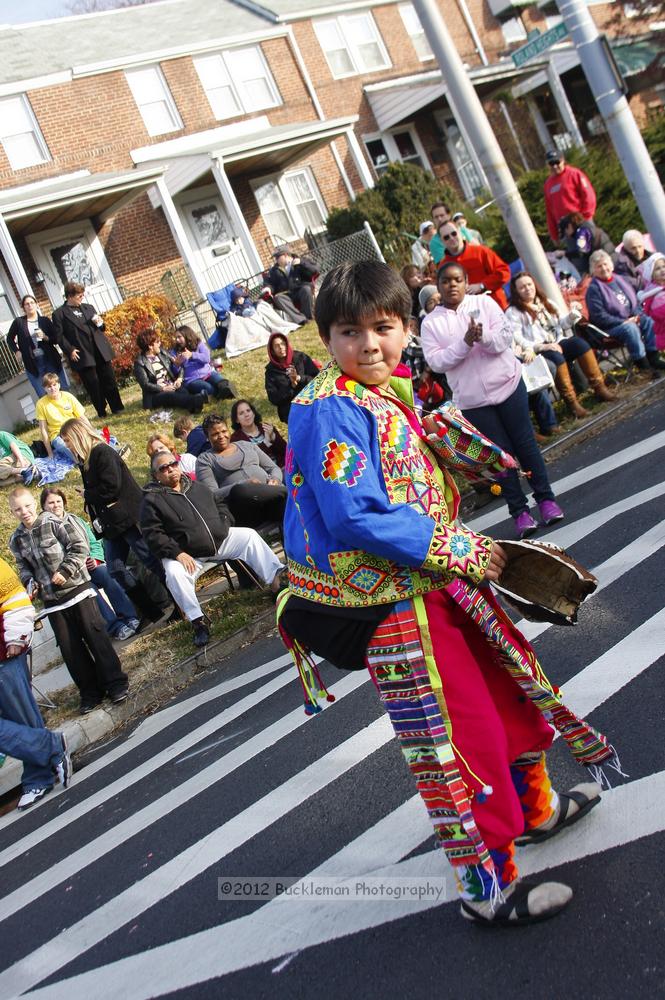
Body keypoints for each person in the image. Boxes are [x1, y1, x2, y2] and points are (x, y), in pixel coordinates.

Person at [277, 259, 614, 927]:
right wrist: (466, 549)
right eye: (349, 331)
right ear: (325, 338)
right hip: (393, 606)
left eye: (383, 327)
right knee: (454, 740)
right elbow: (353, 514)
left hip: (437, 585)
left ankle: (532, 812)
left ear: (406, 327)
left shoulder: (384, 391)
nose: (368, 344)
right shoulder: (326, 408)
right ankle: (483, 885)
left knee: (506, 700)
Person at [421, 262, 563, 537]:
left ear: (465, 282)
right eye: (446, 281)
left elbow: (503, 339)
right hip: (474, 401)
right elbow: (437, 362)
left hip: (509, 385)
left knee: (525, 445)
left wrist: (482, 336)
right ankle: (520, 512)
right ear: (438, 286)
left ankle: (546, 500)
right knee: (499, 456)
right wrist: (464, 343)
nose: (452, 285)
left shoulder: (484, 304)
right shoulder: (431, 323)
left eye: (458, 280)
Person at [140, 452, 285, 647]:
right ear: (156, 475)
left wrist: (224, 525)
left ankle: (276, 585)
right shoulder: (151, 501)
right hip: (187, 555)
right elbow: (153, 535)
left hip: (218, 541)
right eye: (163, 468)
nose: (170, 469)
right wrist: (177, 553)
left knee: (248, 536)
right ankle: (198, 622)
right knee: (174, 573)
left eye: (172, 464)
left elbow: (221, 505)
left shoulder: (197, 487)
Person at [8, 488, 129, 714]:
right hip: (52, 602)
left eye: (26, 506)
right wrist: (30, 584)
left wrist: (66, 570)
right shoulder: (16, 539)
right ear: (12, 512)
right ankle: (90, 693)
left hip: (77, 590)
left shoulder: (52, 522)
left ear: (34, 504)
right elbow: (23, 567)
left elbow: (78, 547)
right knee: (71, 650)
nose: (24, 512)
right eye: (17, 509)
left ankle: (116, 683)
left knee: (97, 639)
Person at [59, 418, 170, 597]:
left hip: (128, 517)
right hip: (112, 523)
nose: (66, 445)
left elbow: (111, 488)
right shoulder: (86, 460)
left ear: (77, 436)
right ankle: (151, 613)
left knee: (151, 560)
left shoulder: (102, 452)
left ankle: (179, 600)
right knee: (116, 569)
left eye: (67, 440)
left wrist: (88, 495)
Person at [0, 556, 72, 810]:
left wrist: (16, 636)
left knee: (21, 717)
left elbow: (13, 598)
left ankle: (37, 778)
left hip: (4, 654)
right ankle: (49, 749)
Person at [507, 270, 615, 416]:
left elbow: (563, 324)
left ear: (534, 285)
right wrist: (541, 346)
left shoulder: (546, 302)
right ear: (516, 291)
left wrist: (572, 314)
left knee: (580, 344)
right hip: (538, 350)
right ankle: (572, 403)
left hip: (557, 341)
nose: (527, 289)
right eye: (522, 287)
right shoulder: (514, 312)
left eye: (529, 284)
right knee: (556, 357)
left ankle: (600, 388)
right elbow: (517, 337)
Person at [40, 487, 140, 642]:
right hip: (71, 575)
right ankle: (114, 627)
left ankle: (129, 616)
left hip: (89, 566)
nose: (56, 505)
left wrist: (95, 559)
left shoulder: (75, 520)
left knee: (107, 574)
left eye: (58, 501)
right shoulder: (43, 529)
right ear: (44, 507)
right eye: (51, 503)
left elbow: (93, 543)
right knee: (89, 588)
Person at [195, 414, 287, 528]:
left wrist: (275, 479)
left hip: (271, 496)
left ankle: (284, 494)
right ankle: (287, 493)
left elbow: (273, 468)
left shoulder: (247, 445)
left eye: (224, 431)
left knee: (286, 479)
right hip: (244, 507)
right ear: (207, 438)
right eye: (215, 434)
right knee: (241, 490)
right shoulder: (204, 459)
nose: (221, 436)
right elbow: (212, 493)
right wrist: (243, 484)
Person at [52, 281, 123, 419]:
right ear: (70, 296)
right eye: (79, 295)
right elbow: (59, 337)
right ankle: (101, 411)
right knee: (93, 383)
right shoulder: (59, 314)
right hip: (82, 352)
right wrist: (70, 350)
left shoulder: (88, 308)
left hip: (100, 349)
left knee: (109, 378)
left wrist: (101, 323)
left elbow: (102, 328)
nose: (82, 297)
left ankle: (117, 407)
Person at [585, 250, 665, 374]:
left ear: (611, 265)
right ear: (593, 271)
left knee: (648, 320)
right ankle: (643, 366)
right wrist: (624, 321)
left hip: (630, 319)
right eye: (599, 266)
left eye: (605, 264)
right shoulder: (593, 289)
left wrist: (638, 315)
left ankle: (653, 357)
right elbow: (599, 316)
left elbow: (634, 302)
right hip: (609, 328)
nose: (604, 268)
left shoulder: (619, 279)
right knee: (630, 328)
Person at [436, 220, 510, 308]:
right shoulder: (443, 266)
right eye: (446, 237)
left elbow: (504, 272)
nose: (451, 238)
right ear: (442, 241)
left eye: (454, 233)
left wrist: (482, 285)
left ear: (460, 232)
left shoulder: (481, 251)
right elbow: (443, 292)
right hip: (467, 313)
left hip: (495, 306)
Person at [7, 294, 69, 398]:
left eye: (32, 303)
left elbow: (56, 338)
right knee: (42, 394)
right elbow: (9, 338)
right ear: (23, 307)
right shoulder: (19, 322)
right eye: (26, 304)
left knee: (61, 388)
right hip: (32, 362)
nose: (29, 305)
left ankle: (68, 411)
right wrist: (17, 351)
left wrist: (45, 337)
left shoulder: (45, 320)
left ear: (36, 305)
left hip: (50, 359)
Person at [133, 329, 205, 413]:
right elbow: (145, 384)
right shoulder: (140, 363)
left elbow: (179, 365)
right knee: (170, 396)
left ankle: (194, 407)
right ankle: (198, 399)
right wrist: (163, 388)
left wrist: (179, 379)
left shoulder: (163, 353)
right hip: (155, 394)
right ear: (150, 346)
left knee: (183, 391)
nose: (160, 343)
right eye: (157, 341)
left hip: (171, 386)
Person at [35, 372, 98, 463]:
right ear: (44, 388)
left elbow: (82, 417)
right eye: (49, 387)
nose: (52, 388)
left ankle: (111, 451)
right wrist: (50, 453)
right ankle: (83, 461)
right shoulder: (41, 404)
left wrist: (91, 431)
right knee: (65, 446)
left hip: (74, 428)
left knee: (94, 437)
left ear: (59, 385)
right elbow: (43, 430)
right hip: (57, 435)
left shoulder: (68, 396)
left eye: (54, 385)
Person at [543, 150, 597, 244]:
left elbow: (588, 195)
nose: (555, 166)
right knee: (577, 255)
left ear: (563, 160)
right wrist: (554, 235)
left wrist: (585, 217)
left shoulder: (574, 174)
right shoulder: (548, 184)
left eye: (557, 162)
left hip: (581, 221)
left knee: (592, 249)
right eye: (551, 164)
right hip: (566, 228)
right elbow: (549, 211)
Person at [265, 332, 319, 423]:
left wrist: (299, 378)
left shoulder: (300, 358)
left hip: (312, 402)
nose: (281, 347)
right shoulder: (271, 372)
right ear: (272, 351)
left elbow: (318, 379)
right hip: (290, 411)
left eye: (283, 344)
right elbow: (273, 398)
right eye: (276, 346)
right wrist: (291, 386)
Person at [171, 326, 236, 401]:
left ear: (186, 335)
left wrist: (192, 355)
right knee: (209, 388)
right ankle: (217, 394)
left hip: (207, 373)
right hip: (192, 380)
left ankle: (225, 391)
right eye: (176, 338)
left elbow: (206, 358)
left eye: (179, 337)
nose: (177, 340)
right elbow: (176, 373)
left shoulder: (198, 344)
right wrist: (177, 364)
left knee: (222, 383)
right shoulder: (174, 352)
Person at [230, 399, 287, 468]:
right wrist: (266, 443)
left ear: (253, 413)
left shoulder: (266, 427)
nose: (246, 415)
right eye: (241, 413)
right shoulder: (236, 439)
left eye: (248, 410)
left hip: (282, 467)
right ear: (237, 420)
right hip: (261, 475)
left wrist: (273, 437)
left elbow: (286, 450)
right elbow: (250, 461)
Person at [558, 212, 614, 276]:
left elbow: (580, 252)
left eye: (565, 231)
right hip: (610, 259)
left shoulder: (582, 232)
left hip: (607, 263)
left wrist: (564, 253)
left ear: (569, 226)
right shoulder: (588, 227)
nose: (567, 235)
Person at [267, 246, 315, 320]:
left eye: (277, 257)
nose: (276, 260)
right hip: (287, 294)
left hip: (301, 289)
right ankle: (301, 320)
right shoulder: (274, 270)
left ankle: (309, 317)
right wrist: (268, 288)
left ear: (285, 255)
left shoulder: (301, 261)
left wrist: (301, 263)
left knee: (306, 289)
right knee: (278, 298)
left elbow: (315, 270)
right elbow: (270, 283)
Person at [639, 253, 665, 352]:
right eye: (658, 268)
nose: (662, 270)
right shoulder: (656, 295)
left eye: (664, 266)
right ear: (652, 274)